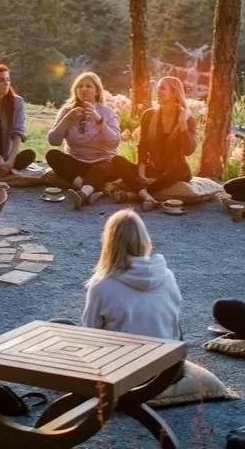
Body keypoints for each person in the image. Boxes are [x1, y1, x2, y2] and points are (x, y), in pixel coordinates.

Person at [82, 210, 182, 341]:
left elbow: (90, 333)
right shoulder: (167, 276)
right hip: (166, 356)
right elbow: (175, 322)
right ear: (144, 238)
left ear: (110, 242)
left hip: (126, 359)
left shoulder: (101, 285)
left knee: (61, 325)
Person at [111, 76, 196, 211]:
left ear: (175, 93)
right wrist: (141, 173)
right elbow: (143, 146)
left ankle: (135, 194)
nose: (157, 91)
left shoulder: (186, 119)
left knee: (183, 168)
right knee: (116, 160)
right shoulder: (148, 115)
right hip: (153, 169)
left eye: (162, 88)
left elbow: (189, 151)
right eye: (157, 88)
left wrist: (182, 124)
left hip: (174, 171)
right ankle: (146, 194)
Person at [46, 72, 122, 209]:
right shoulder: (67, 111)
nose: (84, 89)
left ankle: (82, 193)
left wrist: (99, 120)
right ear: (75, 90)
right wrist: (66, 121)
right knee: (52, 155)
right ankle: (91, 189)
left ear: (97, 91)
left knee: (106, 166)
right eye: (80, 86)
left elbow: (114, 142)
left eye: (88, 86)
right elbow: (53, 141)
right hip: (76, 162)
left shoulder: (107, 112)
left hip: (102, 162)